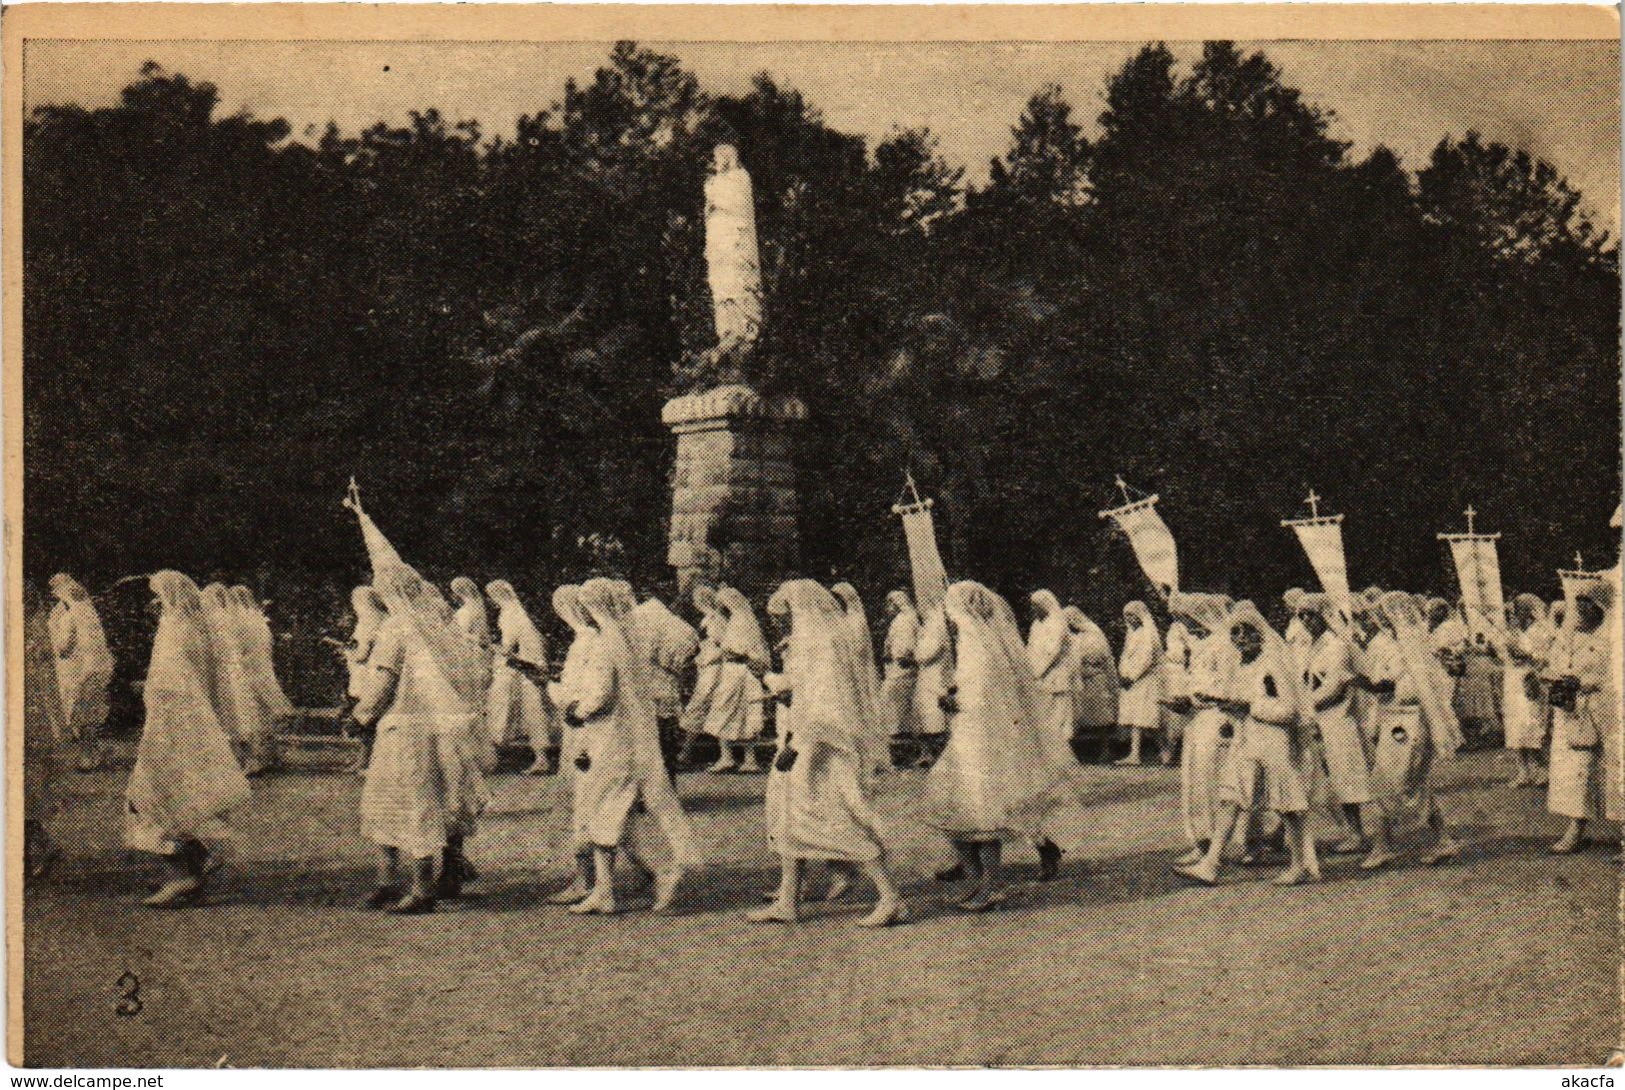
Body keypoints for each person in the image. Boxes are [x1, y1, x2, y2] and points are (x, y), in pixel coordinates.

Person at [752, 580, 908, 927]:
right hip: (809, 741)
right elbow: (805, 691)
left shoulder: (820, 645)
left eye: (784, 616)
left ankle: (890, 896)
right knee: (790, 819)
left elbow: (824, 707)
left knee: (837, 821)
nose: (782, 624)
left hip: (820, 749)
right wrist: (774, 684)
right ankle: (787, 899)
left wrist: (795, 744)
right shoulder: (823, 641)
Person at [918, 581, 1081, 910]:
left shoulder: (972, 639)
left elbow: (979, 689)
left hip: (979, 736)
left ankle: (992, 884)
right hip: (974, 733)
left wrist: (953, 700)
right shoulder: (981, 639)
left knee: (981, 811)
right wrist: (955, 693)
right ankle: (979, 878)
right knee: (959, 808)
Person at [352, 563, 493, 912]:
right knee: (444, 795)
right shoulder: (441, 626)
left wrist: (362, 715)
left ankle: (410, 886)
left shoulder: (396, 627)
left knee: (397, 800)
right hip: (442, 727)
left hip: (404, 727)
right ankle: (449, 871)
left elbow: (383, 682)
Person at [548, 578, 690, 914]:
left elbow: (599, 695)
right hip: (623, 737)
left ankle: (649, 875)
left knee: (603, 807)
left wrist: (571, 707)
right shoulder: (626, 641)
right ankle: (610, 887)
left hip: (606, 737)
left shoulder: (602, 645)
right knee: (614, 811)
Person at [124, 572, 252, 907]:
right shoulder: (199, 627)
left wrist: (147, 690)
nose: (153, 603)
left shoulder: (176, 630)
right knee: (188, 796)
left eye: (157, 596)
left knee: (153, 796)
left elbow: (173, 683)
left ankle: (183, 876)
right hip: (194, 725)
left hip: (175, 726)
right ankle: (189, 869)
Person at [1176, 601, 1319, 887]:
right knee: (1231, 798)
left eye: (1247, 631)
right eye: (1236, 632)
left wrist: (1250, 706)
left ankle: (1300, 864)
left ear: (1260, 633)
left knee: (1286, 804)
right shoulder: (1240, 665)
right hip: (1246, 740)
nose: (1241, 637)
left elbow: (1288, 709)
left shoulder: (1272, 665)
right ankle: (1211, 863)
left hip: (1272, 742)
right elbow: (1239, 701)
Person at [1364, 591, 1464, 865]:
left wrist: (1380, 686)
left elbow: (1416, 688)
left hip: (1412, 721)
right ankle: (1438, 839)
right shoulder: (1391, 645)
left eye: (1384, 616)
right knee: (1393, 780)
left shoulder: (1415, 646)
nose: (1381, 622)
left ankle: (1386, 844)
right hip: (1395, 718)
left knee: (1395, 781)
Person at [1297, 593, 1393, 869]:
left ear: (1323, 616)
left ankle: (1378, 837)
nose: (1305, 621)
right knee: (1332, 779)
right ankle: (1354, 831)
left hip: (1340, 718)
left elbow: (1334, 686)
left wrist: (1305, 705)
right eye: (1301, 616)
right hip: (1317, 718)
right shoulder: (1308, 646)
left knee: (1353, 776)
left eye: (1310, 615)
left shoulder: (1337, 646)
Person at [1170, 593, 1241, 864]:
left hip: (1215, 717)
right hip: (1197, 718)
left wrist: (1195, 697)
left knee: (1210, 780)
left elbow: (1227, 684)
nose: (1183, 624)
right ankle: (1201, 840)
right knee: (1194, 780)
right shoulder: (1201, 644)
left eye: (1186, 618)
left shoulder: (1223, 644)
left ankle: (1215, 844)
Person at [1545, 583, 1615, 854]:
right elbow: (1554, 665)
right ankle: (1576, 827)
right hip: (1572, 712)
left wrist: (1583, 681)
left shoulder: (1611, 638)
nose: (1582, 609)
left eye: (1589, 603)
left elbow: (1612, 677)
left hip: (1602, 711)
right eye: (1580, 602)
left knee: (1605, 771)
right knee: (1575, 771)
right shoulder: (1568, 637)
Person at [485, 580, 560, 774]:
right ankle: (536, 756)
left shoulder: (510, 614)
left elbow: (508, 646)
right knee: (531, 710)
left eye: (493, 597)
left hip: (524, 666)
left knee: (528, 709)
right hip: (529, 663)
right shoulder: (520, 612)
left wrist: (490, 647)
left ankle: (539, 759)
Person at [201, 583, 273, 776]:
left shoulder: (218, 619)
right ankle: (248, 758)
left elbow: (222, 648)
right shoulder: (235, 617)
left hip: (229, 672)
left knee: (236, 716)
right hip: (235, 670)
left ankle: (248, 759)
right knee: (241, 716)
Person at [629, 591, 700, 781]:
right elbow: (689, 649)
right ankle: (666, 786)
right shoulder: (673, 623)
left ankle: (647, 789)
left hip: (644, 687)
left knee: (646, 742)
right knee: (664, 741)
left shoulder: (637, 622)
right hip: (664, 686)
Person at [48, 573, 114, 771]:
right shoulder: (88, 615)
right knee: (89, 716)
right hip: (94, 669)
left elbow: (63, 649)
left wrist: (52, 626)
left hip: (77, 672)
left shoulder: (68, 617)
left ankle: (87, 758)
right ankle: (91, 755)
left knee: (80, 716)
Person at [701, 587, 769, 773]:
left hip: (738, 672)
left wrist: (717, 654)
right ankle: (731, 757)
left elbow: (738, 650)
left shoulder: (741, 621)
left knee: (734, 711)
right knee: (733, 711)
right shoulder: (738, 620)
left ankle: (741, 758)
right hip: (735, 671)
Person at [228, 585, 294, 772]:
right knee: (262, 714)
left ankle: (254, 760)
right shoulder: (259, 620)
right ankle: (269, 757)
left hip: (244, 672)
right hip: (261, 672)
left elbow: (236, 650)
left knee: (248, 715)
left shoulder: (237, 621)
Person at [25, 583, 66, 880]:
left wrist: (57, 722)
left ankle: (26, 857)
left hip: (28, 717)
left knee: (23, 787)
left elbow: (47, 681)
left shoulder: (34, 636)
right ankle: (41, 845)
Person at [832, 582, 890, 776]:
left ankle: (870, 756)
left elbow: (857, 649)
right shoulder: (843, 621)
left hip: (856, 672)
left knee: (860, 710)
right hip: (846, 672)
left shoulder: (856, 620)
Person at [1503, 593, 1551, 787]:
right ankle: (1523, 771)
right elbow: (1506, 657)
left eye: (1520, 609)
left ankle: (1542, 769)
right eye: (1516, 609)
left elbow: (1544, 658)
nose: (1516, 613)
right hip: (1513, 680)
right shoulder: (1512, 631)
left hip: (1531, 680)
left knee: (1532, 723)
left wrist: (1527, 655)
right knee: (1516, 725)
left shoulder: (1540, 631)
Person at [678, 585, 725, 768]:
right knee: (703, 707)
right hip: (706, 667)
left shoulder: (717, 620)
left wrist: (707, 655)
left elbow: (724, 646)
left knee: (700, 705)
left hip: (714, 668)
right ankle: (686, 752)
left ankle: (686, 753)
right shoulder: (709, 619)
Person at [340, 586, 387, 770]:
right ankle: (368, 758)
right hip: (379, 671)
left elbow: (361, 654)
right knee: (374, 715)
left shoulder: (365, 622)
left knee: (364, 714)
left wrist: (348, 653)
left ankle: (365, 759)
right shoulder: (384, 619)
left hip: (365, 673)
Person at [1028, 591, 1077, 757]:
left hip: (1056, 673)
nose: (1034, 610)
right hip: (1039, 675)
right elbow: (1031, 648)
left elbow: (1053, 652)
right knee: (1044, 713)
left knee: (1059, 713)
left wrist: (1038, 671)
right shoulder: (1036, 624)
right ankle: (1047, 752)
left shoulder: (1057, 622)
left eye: (1037, 606)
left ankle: (1062, 753)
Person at [1118, 601, 1167, 766]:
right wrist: (1123, 673)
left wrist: (1132, 676)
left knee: (1144, 717)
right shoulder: (1132, 633)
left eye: (1132, 615)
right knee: (1138, 717)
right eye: (1127, 616)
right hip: (1132, 680)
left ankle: (1158, 751)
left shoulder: (1147, 633)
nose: (1130, 619)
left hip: (1145, 679)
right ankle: (1140, 753)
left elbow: (1146, 659)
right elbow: (1126, 656)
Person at [1067, 607, 1119, 758]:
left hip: (1095, 678)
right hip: (1080, 678)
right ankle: (1075, 752)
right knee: (1077, 714)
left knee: (1100, 716)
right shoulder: (1076, 635)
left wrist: (1081, 658)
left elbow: (1097, 655)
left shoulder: (1092, 632)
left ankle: (1105, 750)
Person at [912, 601, 952, 766]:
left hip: (934, 675)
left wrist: (916, 654)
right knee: (925, 715)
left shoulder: (936, 631)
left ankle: (937, 753)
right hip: (926, 675)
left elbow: (925, 654)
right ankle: (927, 753)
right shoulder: (927, 630)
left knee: (934, 716)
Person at [879, 590, 922, 742]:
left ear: (896, 604)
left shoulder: (905, 619)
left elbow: (905, 647)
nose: (887, 608)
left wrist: (900, 655)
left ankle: (899, 739)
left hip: (902, 668)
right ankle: (899, 738)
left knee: (893, 702)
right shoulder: (901, 619)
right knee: (896, 705)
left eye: (889, 604)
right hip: (897, 667)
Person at [1161, 617, 1195, 752]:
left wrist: (1187, 658)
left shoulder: (1189, 626)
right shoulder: (1174, 626)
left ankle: (1181, 746)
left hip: (1182, 670)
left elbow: (1190, 647)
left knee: (1182, 708)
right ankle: (1171, 746)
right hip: (1170, 670)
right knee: (1170, 709)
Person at [450, 576, 492, 650]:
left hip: (470, 647)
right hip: (477, 643)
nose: (453, 596)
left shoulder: (465, 610)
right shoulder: (478, 605)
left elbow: (463, 631)